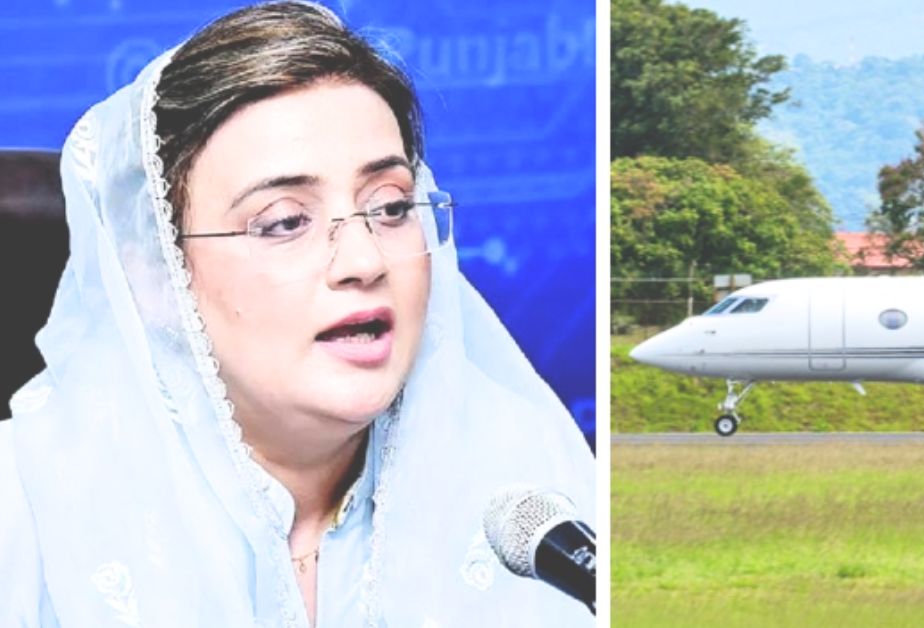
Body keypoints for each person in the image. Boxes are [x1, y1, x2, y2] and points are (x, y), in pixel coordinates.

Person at [0, 2, 595, 626]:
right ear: (151, 274)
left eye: (391, 208)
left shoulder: (530, 494)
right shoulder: (24, 514)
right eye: (285, 221)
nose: (364, 259)